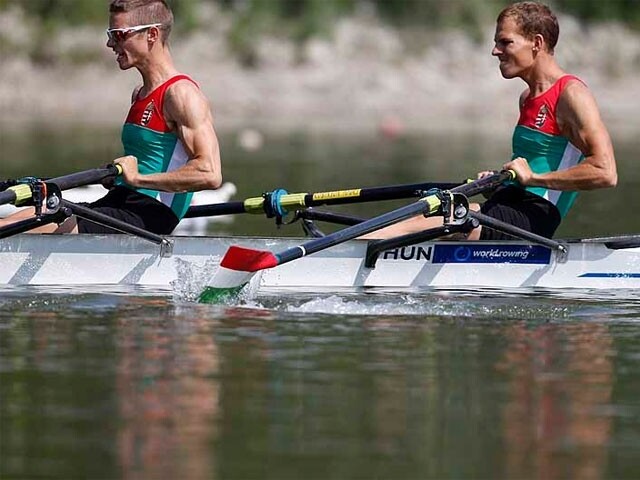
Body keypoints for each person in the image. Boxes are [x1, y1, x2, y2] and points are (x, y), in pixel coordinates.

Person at [365, 1, 616, 241]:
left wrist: (533, 179)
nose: (495, 50)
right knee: (423, 215)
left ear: (536, 43)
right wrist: (498, 182)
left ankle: (345, 250)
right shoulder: (527, 98)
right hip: (506, 204)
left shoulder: (571, 94)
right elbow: (532, 167)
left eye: (505, 42)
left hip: (532, 218)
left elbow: (605, 172)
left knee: (427, 221)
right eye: (496, 42)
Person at [0, 0, 221, 234]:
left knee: (10, 229)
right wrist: (120, 179)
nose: (110, 43)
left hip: (148, 217)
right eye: (110, 34)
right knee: (8, 223)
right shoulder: (140, 94)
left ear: (152, 34)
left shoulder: (181, 94)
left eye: (119, 35)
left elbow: (209, 173)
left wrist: (138, 179)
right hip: (119, 202)